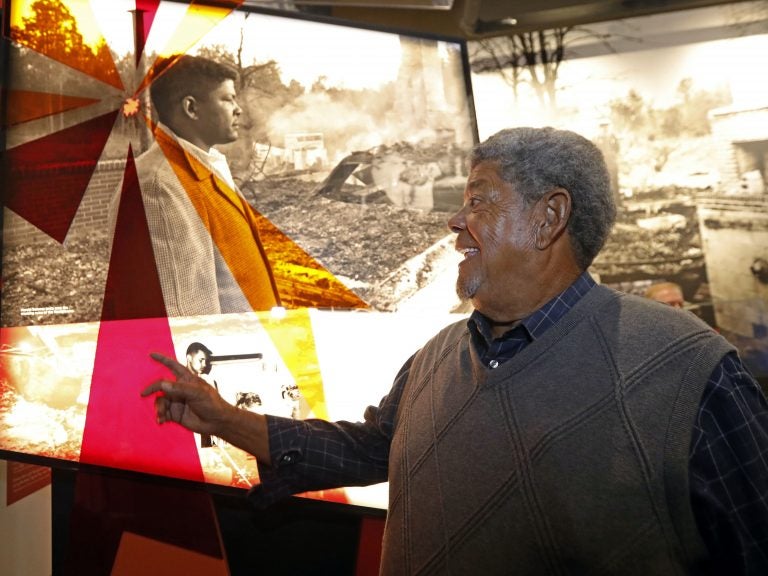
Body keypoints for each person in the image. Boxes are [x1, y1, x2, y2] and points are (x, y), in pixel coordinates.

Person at [142, 127, 768, 575]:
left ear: (548, 218)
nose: (453, 222)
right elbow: (375, 448)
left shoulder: (688, 369)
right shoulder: (438, 357)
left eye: (479, 200)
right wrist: (226, 420)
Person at [127, 54, 280, 316]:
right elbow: (185, 316)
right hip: (231, 351)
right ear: (191, 108)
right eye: (227, 98)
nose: (238, 108)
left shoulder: (203, 163)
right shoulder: (159, 187)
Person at [184, 341, 219, 448]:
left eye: (205, 361)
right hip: (188, 439)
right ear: (189, 358)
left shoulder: (208, 381)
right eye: (201, 360)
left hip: (207, 436)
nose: (204, 364)